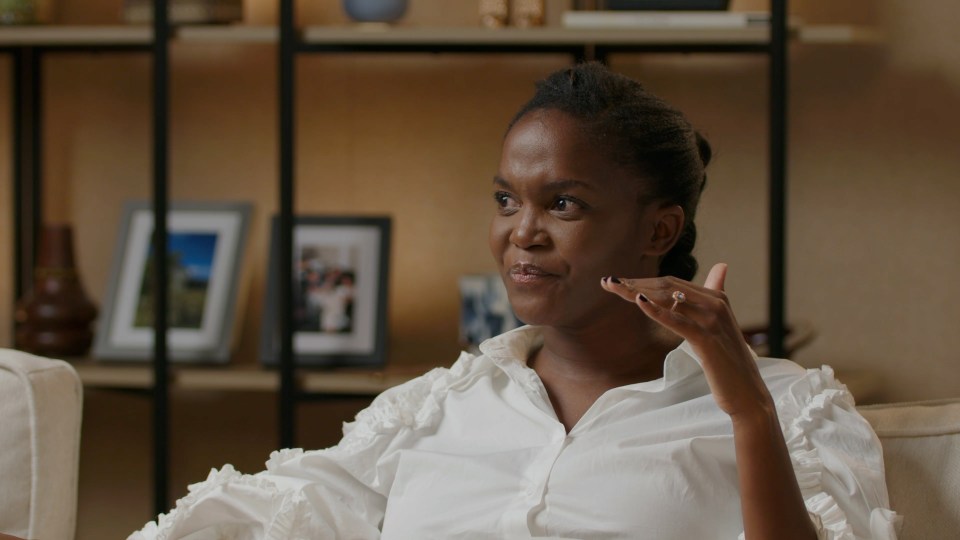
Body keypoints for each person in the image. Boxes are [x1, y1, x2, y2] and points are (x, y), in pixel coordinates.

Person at [130, 62, 899, 539]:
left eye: (563, 205)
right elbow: (262, 517)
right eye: (506, 200)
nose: (521, 235)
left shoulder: (792, 414)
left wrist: (746, 412)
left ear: (658, 227)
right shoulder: (430, 412)